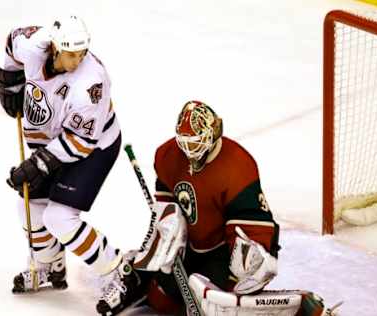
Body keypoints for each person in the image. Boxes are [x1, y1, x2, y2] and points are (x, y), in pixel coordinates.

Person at [116, 100, 330, 315]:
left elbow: (253, 220)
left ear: (213, 134)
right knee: (161, 300)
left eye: (196, 143)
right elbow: (166, 198)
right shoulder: (167, 154)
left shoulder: (237, 165)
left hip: (224, 250)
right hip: (191, 245)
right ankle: (139, 277)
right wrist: (168, 228)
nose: (190, 151)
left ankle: (282, 305)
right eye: (185, 143)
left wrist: (243, 269)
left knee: (217, 303)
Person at [0, 15, 140, 311]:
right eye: (71, 54)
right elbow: (11, 42)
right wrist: (9, 81)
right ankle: (51, 266)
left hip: (93, 147)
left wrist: (39, 164)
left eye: (82, 53)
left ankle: (119, 272)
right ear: (54, 48)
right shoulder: (34, 45)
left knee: (59, 218)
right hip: (50, 142)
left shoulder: (91, 83)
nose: (77, 60)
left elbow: (79, 143)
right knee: (30, 208)